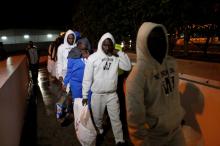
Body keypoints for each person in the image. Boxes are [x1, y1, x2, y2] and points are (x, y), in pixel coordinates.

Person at [125, 22, 186, 146]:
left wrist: (177, 115)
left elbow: (174, 95)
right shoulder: (137, 76)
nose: (160, 42)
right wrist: (142, 142)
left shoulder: (172, 64)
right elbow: (135, 117)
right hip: (155, 138)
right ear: (143, 41)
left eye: (162, 37)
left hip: (176, 132)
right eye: (153, 39)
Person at [82, 32, 131, 146]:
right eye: (105, 44)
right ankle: (100, 130)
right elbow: (87, 78)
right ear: (100, 44)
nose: (107, 47)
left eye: (109, 45)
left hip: (112, 94)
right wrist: (85, 95)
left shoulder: (115, 57)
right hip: (97, 95)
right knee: (97, 118)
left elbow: (127, 66)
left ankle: (119, 140)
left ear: (113, 45)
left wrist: (118, 52)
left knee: (116, 119)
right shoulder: (93, 58)